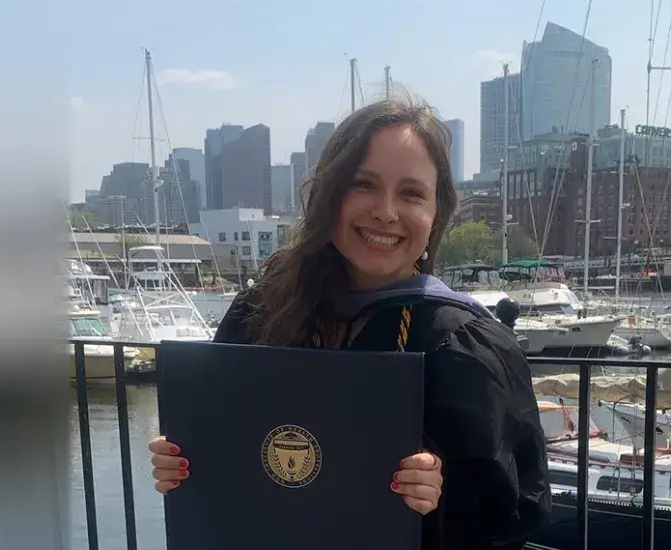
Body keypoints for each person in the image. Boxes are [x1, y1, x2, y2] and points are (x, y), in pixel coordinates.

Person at [148, 95, 550, 550]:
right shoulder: (262, 311)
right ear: (329, 194)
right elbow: (227, 445)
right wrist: (183, 458)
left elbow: (510, 515)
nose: (385, 211)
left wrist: (441, 492)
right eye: (363, 184)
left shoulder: (463, 344)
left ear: (436, 212)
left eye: (412, 193)